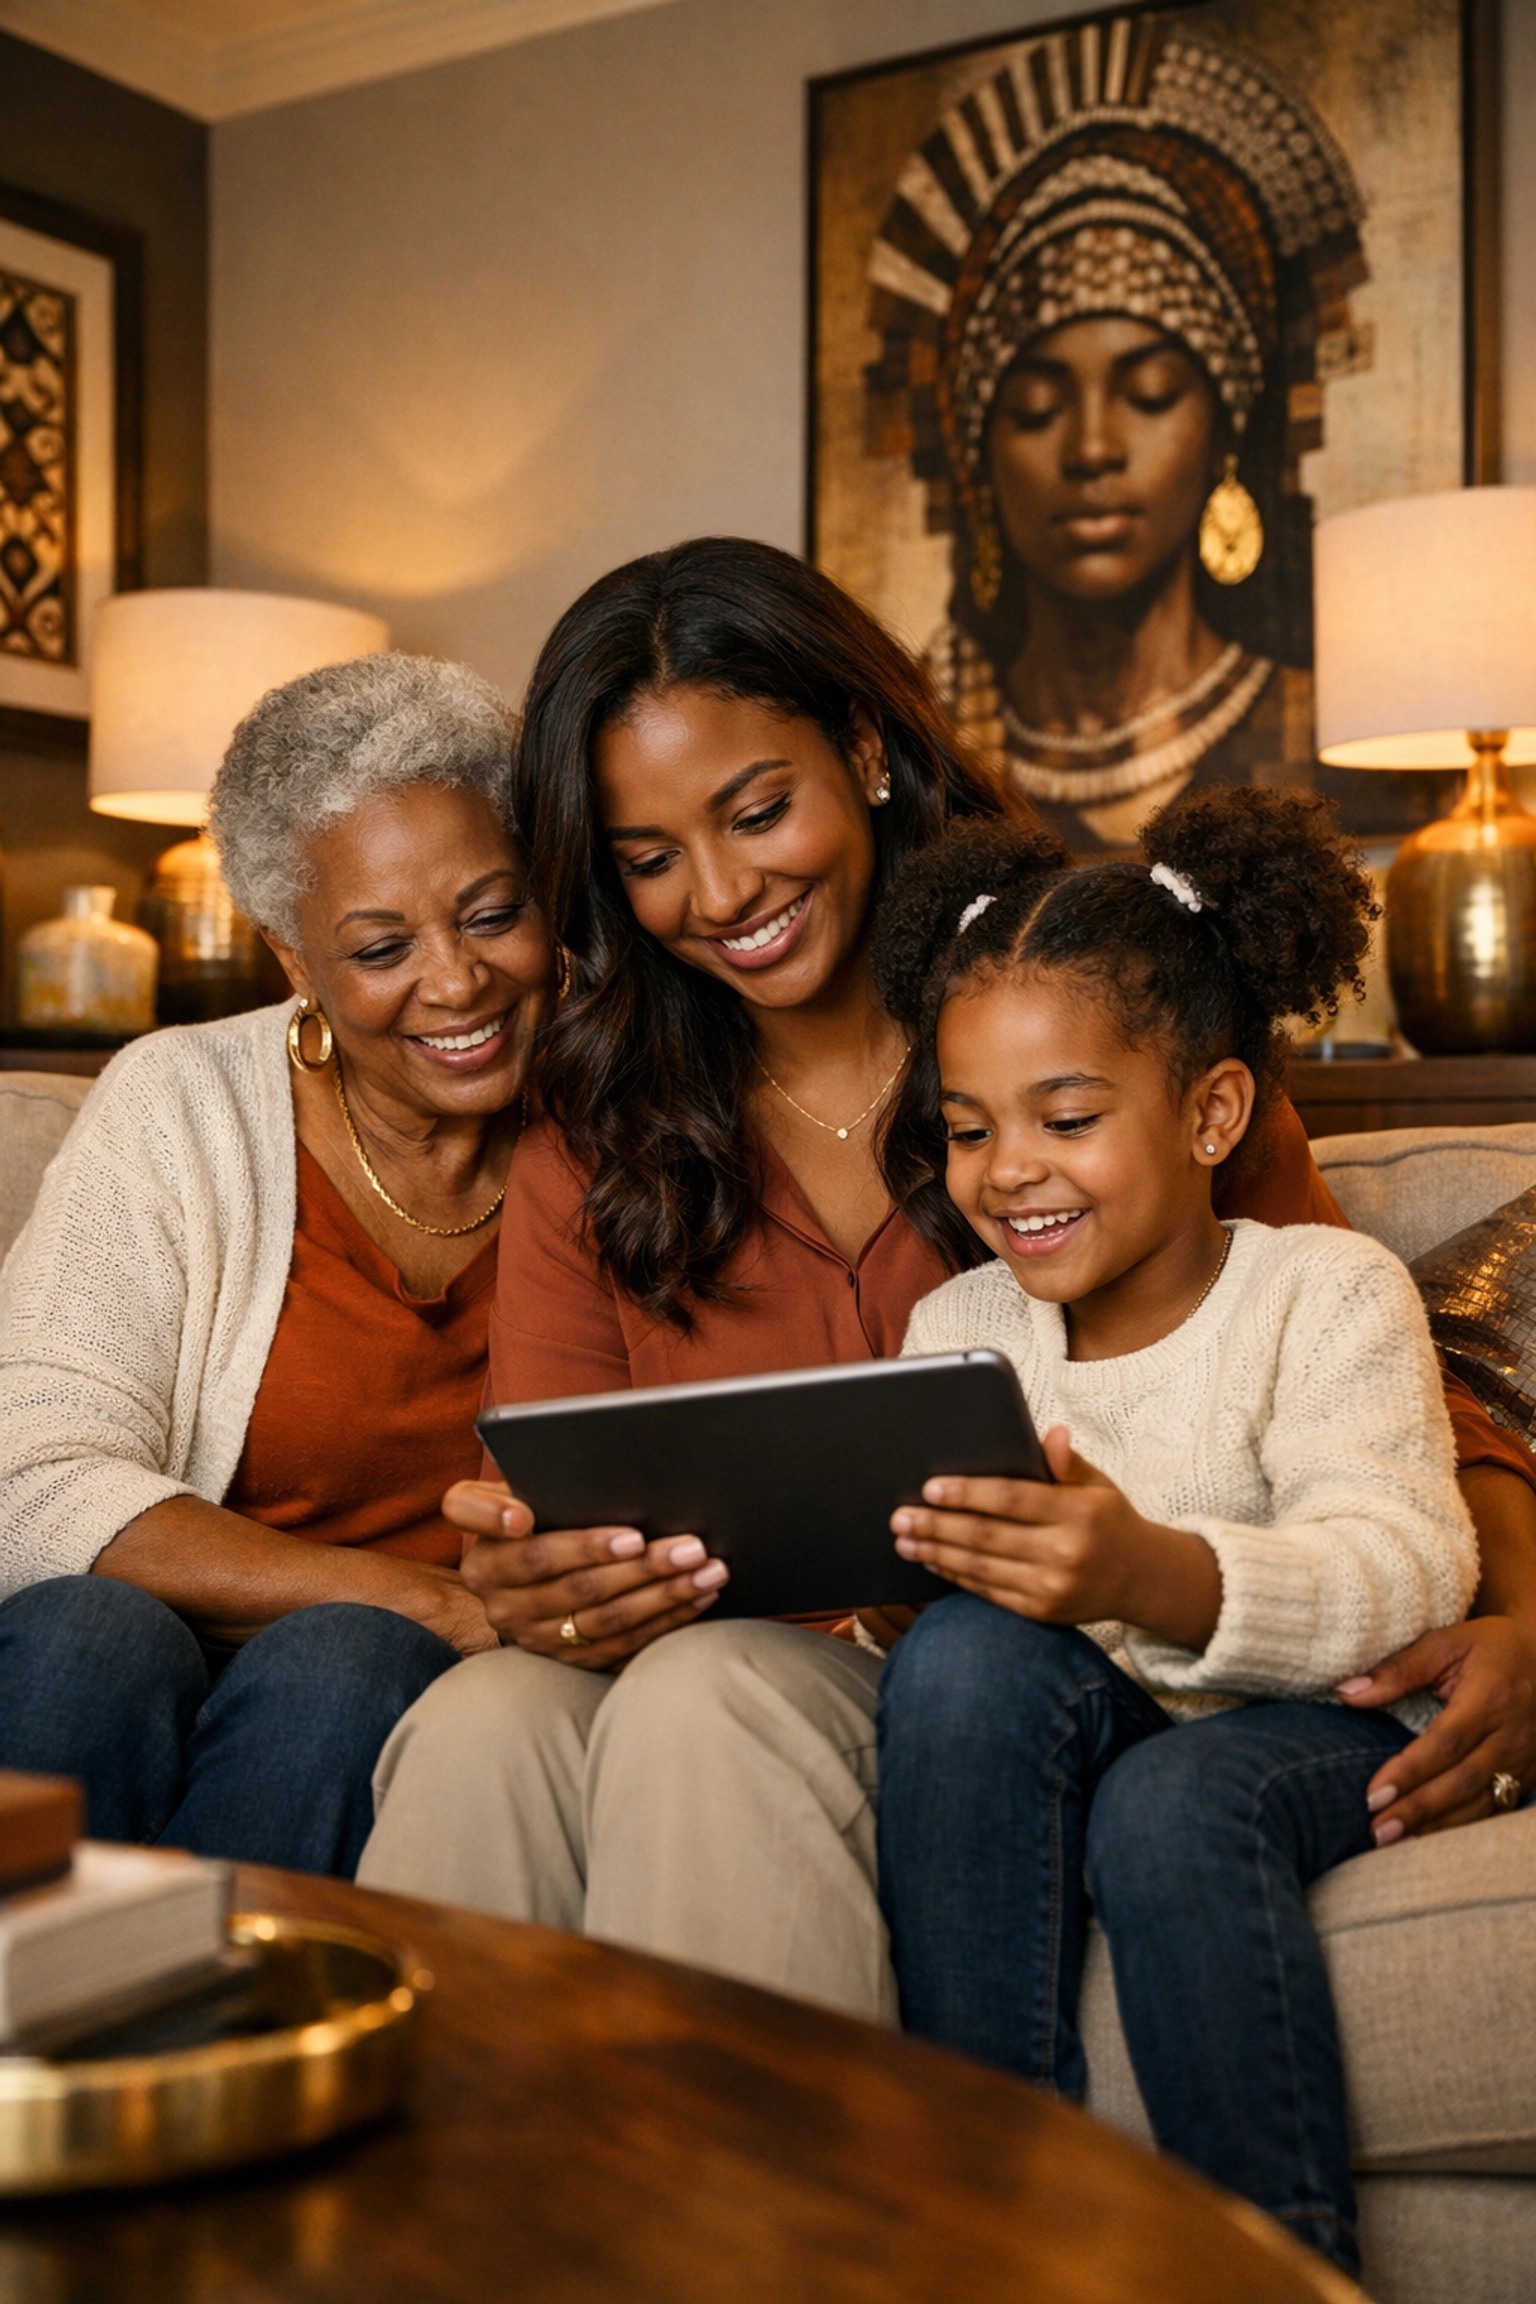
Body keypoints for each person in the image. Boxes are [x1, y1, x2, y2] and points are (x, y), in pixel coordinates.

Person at [358, 539, 1536, 1991]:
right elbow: (560, 1504)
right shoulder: (593, 1130)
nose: (719, 893)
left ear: (861, 747)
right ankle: (448, 2211)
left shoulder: (1090, 1037)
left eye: (756, 811)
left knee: (706, 1695)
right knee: (482, 1718)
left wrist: (1521, 1623)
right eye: (650, 859)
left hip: (984, 1687)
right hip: (715, 1655)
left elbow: (1391, 1391)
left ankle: (769, 2213)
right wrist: (540, 1585)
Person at [869, 788, 1478, 2275]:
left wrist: (1156, 1569)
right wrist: (903, 1582)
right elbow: (933, 1603)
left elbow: (1409, 1562)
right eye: (966, 1129)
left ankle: (1279, 2267)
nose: (1008, 1168)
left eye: (1066, 1118)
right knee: (953, 1662)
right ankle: (993, 2227)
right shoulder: (959, 1326)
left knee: (1174, 1806)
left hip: (1310, 1713)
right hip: (1090, 1703)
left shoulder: (1323, 1292)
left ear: (1210, 1113)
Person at [0, 652, 550, 1876]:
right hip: (209, 1635)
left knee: (343, 1658)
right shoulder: (181, 1103)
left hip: (382, 1686)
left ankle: (218, 2060)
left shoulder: (630, 1113)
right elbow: (27, 1476)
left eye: (493, 912)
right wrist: (419, 1596)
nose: (457, 982)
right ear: (292, 959)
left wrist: (418, 1620)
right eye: (378, 946)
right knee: (85, 1634)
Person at [863, 15, 1374, 850]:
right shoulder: (915, 759)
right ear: (978, 454)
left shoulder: (1309, 717)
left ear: (1224, 433)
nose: (1093, 449)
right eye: (1034, 408)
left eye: (1150, 393)